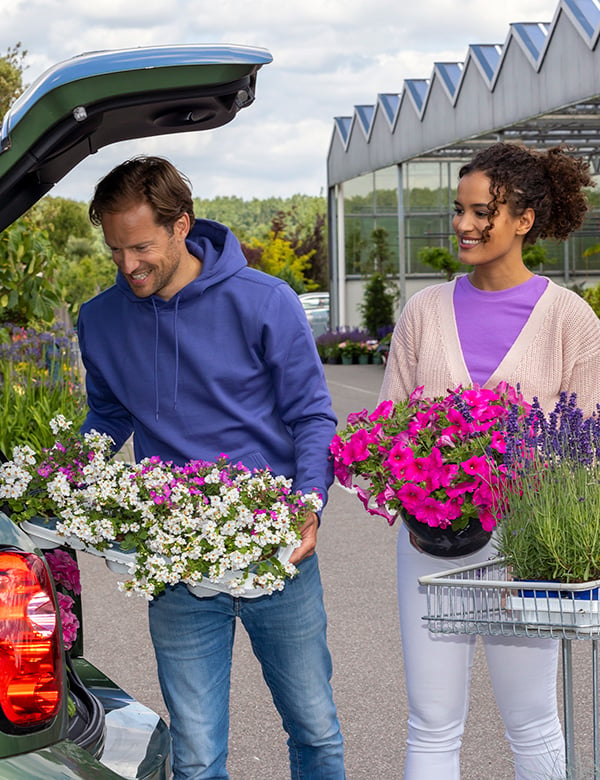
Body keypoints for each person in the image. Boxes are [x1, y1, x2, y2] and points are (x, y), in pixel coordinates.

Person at [77, 155, 345, 780]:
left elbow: (312, 417)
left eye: (140, 246)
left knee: (314, 729)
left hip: (274, 550)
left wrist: (308, 507)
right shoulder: (101, 319)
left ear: (180, 226)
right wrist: (56, 479)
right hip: (173, 559)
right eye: (115, 250)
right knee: (195, 755)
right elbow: (109, 417)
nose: (127, 266)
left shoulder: (265, 301)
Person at [379, 142, 600, 780]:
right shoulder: (423, 312)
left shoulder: (570, 321)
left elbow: (584, 453)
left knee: (531, 720)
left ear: (524, 220)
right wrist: (415, 478)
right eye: (459, 210)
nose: (465, 225)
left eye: (484, 212)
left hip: (525, 547)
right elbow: (387, 428)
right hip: (428, 541)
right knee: (432, 721)